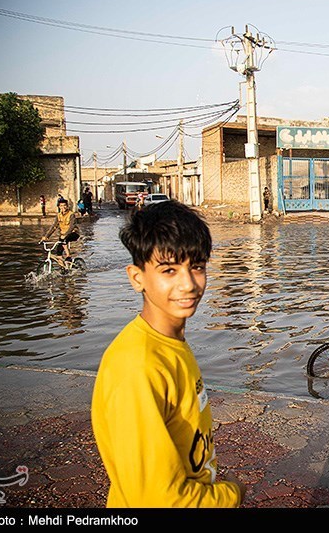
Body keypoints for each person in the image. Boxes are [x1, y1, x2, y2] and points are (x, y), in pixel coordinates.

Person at [91, 200, 246, 508]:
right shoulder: (137, 366)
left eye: (197, 267)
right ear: (137, 277)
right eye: (169, 270)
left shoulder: (170, 343)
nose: (188, 284)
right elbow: (158, 500)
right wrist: (232, 494)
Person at [41, 198, 80, 267]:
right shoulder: (58, 215)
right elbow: (54, 227)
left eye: (65, 205)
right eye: (61, 206)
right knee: (58, 253)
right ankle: (64, 268)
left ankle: (68, 256)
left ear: (67, 206)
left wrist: (65, 234)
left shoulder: (71, 214)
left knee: (65, 239)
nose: (63, 207)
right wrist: (46, 236)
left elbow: (72, 227)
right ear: (59, 207)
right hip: (62, 236)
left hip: (73, 234)